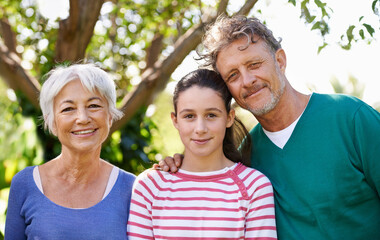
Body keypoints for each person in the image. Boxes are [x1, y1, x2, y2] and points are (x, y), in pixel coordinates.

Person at [159, 16, 380, 239]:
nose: (247, 80)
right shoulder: (246, 156)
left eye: (254, 64)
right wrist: (177, 165)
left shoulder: (351, 118)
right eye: (233, 75)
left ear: (280, 61)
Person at [127, 69, 277, 239]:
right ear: (175, 120)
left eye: (211, 115)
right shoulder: (149, 186)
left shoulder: (255, 187)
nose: (200, 129)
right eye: (189, 116)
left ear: (229, 118)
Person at [4, 64, 136, 239]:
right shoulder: (24, 184)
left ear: (110, 116)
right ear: (52, 122)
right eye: (68, 109)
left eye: (94, 105)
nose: (82, 118)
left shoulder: (133, 188)